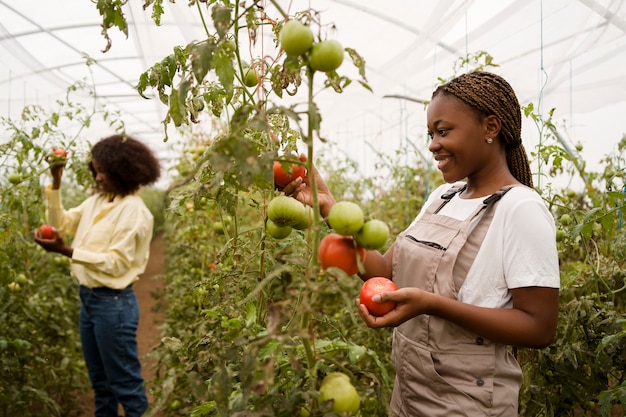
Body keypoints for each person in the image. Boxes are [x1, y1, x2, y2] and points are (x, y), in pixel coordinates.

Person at [284, 71, 560, 416]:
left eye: (443, 131)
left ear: (491, 128)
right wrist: (330, 207)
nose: (432, 144)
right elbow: (384, 270)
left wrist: (432, 304)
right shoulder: (443, 197)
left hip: (469, 403)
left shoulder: (520, 208)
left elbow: (539, 327)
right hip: (410, 395)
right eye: (430, 134)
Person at [34, 134, 161, 417]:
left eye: (103, 171)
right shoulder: (97, 201)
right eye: (96, 170)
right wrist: (56, 180)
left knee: (126, 385)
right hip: (89, 301)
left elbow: (116, 264)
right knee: (101, 384)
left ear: (123, 171)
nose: (98, 177)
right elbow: (60, 224)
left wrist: (67, 251)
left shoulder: (135, 212)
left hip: (113, 305)